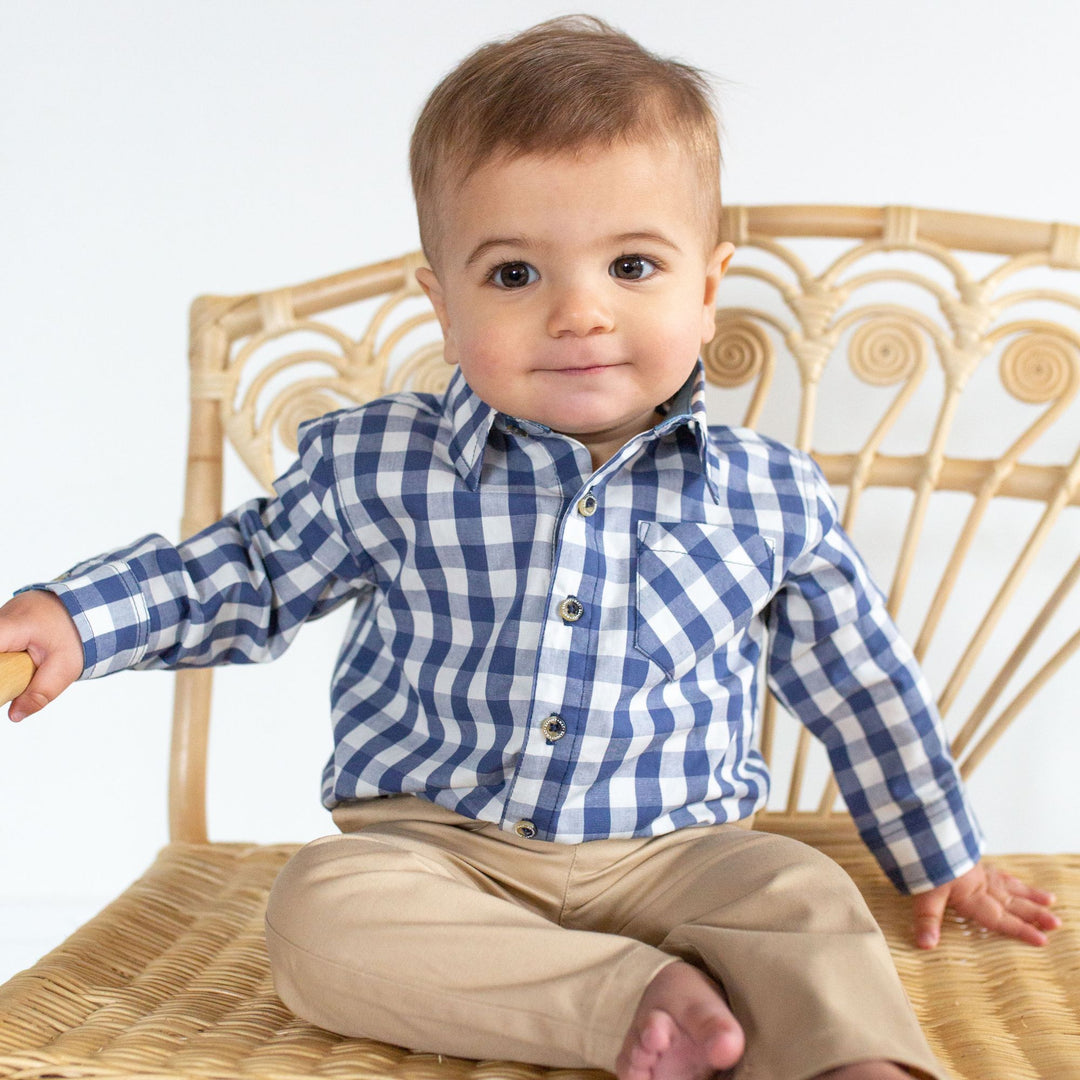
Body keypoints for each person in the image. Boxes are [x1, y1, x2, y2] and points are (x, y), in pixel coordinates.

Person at [0, 15, 1061, 1080]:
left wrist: (945, 856)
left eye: (633, 265)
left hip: (680, 855)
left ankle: (850, 1062)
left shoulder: (765, 497)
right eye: (514, 276)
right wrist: (82, 620)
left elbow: (859, 682)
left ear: (706, 286)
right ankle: (629, 1003)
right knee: (316, 915)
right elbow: (248, 572)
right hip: (440, 857)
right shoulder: (383, 464)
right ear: (442, 300)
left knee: (802, 899)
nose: (579, 313)